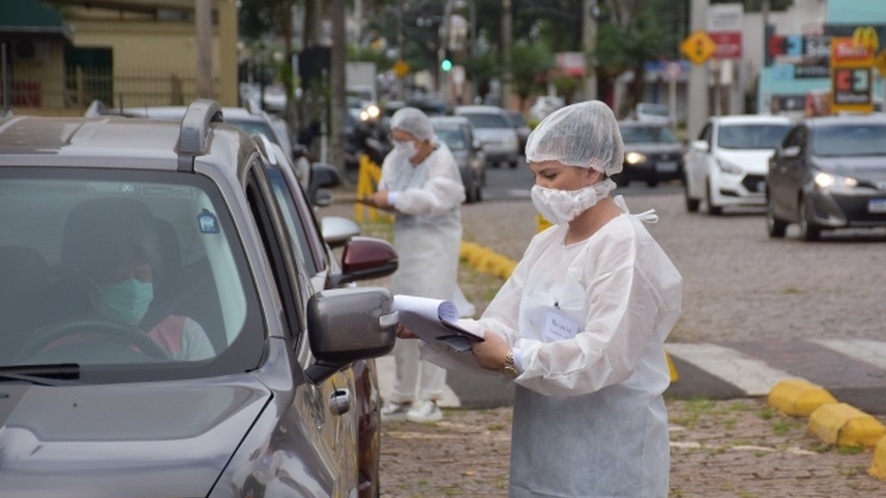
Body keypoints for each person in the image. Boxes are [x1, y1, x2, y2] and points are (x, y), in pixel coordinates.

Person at [411, 100, 683, 496]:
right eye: (536, 176)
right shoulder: (548, 242)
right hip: (542, 449)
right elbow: (504, 320)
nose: (542, 189)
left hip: (609, 452)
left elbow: (604, 354)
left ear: (592, 169)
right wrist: (436, 329)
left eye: (551, 175)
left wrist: (513, 359)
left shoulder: (624, 245)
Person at [362, 106, 467, 423]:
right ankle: (403, 394)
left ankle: (431, 396)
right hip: (405, 249)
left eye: (405, 139)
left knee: (433, 321)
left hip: (436, 249)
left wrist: (393, 199)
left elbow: (434, 200)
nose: (400, 145)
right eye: (395, 139)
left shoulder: (442, 161)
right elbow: (387, 187)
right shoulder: (395, 158)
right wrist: (387, 197)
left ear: (423, 138)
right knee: (404, 318)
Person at [43, 198, 215, 362]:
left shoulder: (184, 333)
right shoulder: (53, 344)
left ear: (154, 276)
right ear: (88, 285)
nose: (133, 287)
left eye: (141, 275)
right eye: (118, 278)